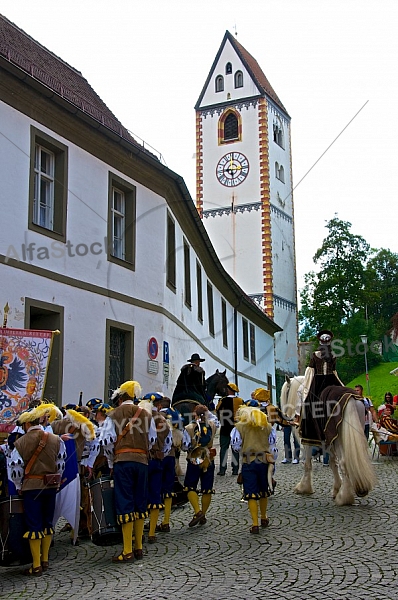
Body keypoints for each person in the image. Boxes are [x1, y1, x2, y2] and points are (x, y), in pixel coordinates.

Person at [99, 380, 157, 562]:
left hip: (122, 462)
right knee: (140, 502)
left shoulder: (114, 415)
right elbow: (153, 439)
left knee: (125, 502)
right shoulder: (146, 415)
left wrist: (111, 461)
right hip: (142, 462)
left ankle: (127, 550)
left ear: (121, 398)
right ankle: (139, 547)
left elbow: (106, 442)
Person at [9, 403, 66, 576]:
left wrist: (19, 486)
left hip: (32, 488)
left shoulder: (20, 442)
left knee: (34, 524)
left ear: (27, 423)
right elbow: (61, 463)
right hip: (50, 486)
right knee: (47, 522)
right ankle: (45, 559)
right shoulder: (57, 439)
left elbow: (16, 468)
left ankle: (36, 565)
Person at [294, 330, 344, 445]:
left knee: (307, 401)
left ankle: (300, 420)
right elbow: (334, 371)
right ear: (330, 342)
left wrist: (306, 385)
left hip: (318, 381)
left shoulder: (315, 355)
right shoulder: (334, 355)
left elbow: (310, 371)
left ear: (320, 342)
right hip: (332, 380)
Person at [230, 404, 273, 534]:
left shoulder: (239, 427)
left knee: (251, 493)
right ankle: (264, 517)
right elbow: (272, 443)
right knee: (263, 490)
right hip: (264, 461)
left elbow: (235, 445)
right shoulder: (267, 426)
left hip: (248, 461)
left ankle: (255, 524)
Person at [140, 394, 172, 544]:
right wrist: (161, 454)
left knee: (139, 495)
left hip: (142, 460)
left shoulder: (139, 418)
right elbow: (168, 442)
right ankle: (152, 532)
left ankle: (138, 533)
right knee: (155, 496)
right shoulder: (163, 420)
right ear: (159, 405)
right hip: (157, 460)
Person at [182, 404, 218, 527]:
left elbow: (185, 446)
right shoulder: (212, 425)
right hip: (208, 457)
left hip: (195, 457)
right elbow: (214, 419)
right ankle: (203, 513)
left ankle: (198, 511)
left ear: (194, 415)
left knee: (190, 486)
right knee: (207, 487)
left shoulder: (189, 428)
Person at [216, 382, 244, 476]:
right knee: (235, 448)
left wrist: (220, 420)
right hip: (236, 428)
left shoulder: (223, 400)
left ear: (229, 390)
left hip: (225, 427)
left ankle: (222, 469)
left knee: (224, 449)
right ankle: (235, 469)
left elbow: (217, 410)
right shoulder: (240, 401)